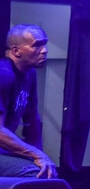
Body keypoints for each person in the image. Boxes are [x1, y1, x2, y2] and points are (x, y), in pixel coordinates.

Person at [1, 25, 57, 178]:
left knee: (47, 171)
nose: (44, 50)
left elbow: (32, 120)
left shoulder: (29, 74)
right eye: (37, 45)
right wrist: (36, 155)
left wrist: (41, 157)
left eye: (44, 44)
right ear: (16, 51)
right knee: (35, 174)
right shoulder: (4, 75)